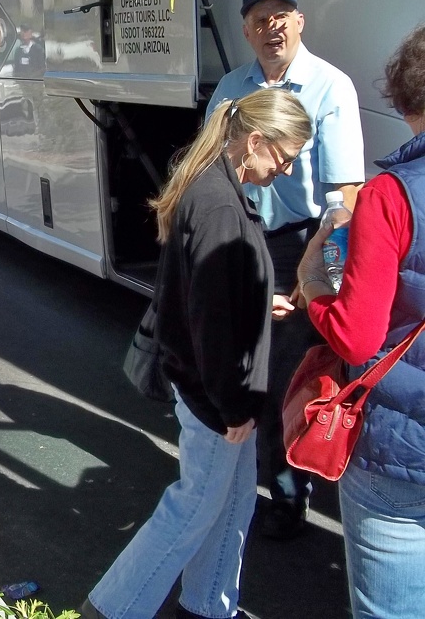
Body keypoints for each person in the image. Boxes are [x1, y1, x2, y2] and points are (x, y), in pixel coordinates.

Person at [80, 88, 312, 619]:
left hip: (214, 393)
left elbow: (209, 296)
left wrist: (257, 298)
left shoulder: (211, 187)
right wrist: (233, 407)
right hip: (217, 399)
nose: (286, 170)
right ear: (255, 141)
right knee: (193, 509)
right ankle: (112, 609)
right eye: (284, 157)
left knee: (232, 503)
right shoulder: (218, 207)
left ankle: (210, 605)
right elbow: (209, 321)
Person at [206, 0, 365, 540]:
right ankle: (235, 486)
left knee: (286, 379)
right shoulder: (231, 88)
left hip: (299, 246)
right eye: (258, 19)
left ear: (300, 22)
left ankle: (288, 496)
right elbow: (207, 169)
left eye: (281, 16)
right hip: (238, 240)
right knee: (239, 367)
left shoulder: (330, 87)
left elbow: (345, 196)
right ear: (245, 29)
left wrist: (317, 272)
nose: (270, 27)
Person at [295, 25, 425, 619]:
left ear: (404, 97)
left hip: (403, 452)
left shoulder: (391, 196)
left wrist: (313, 283)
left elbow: (356, 335)